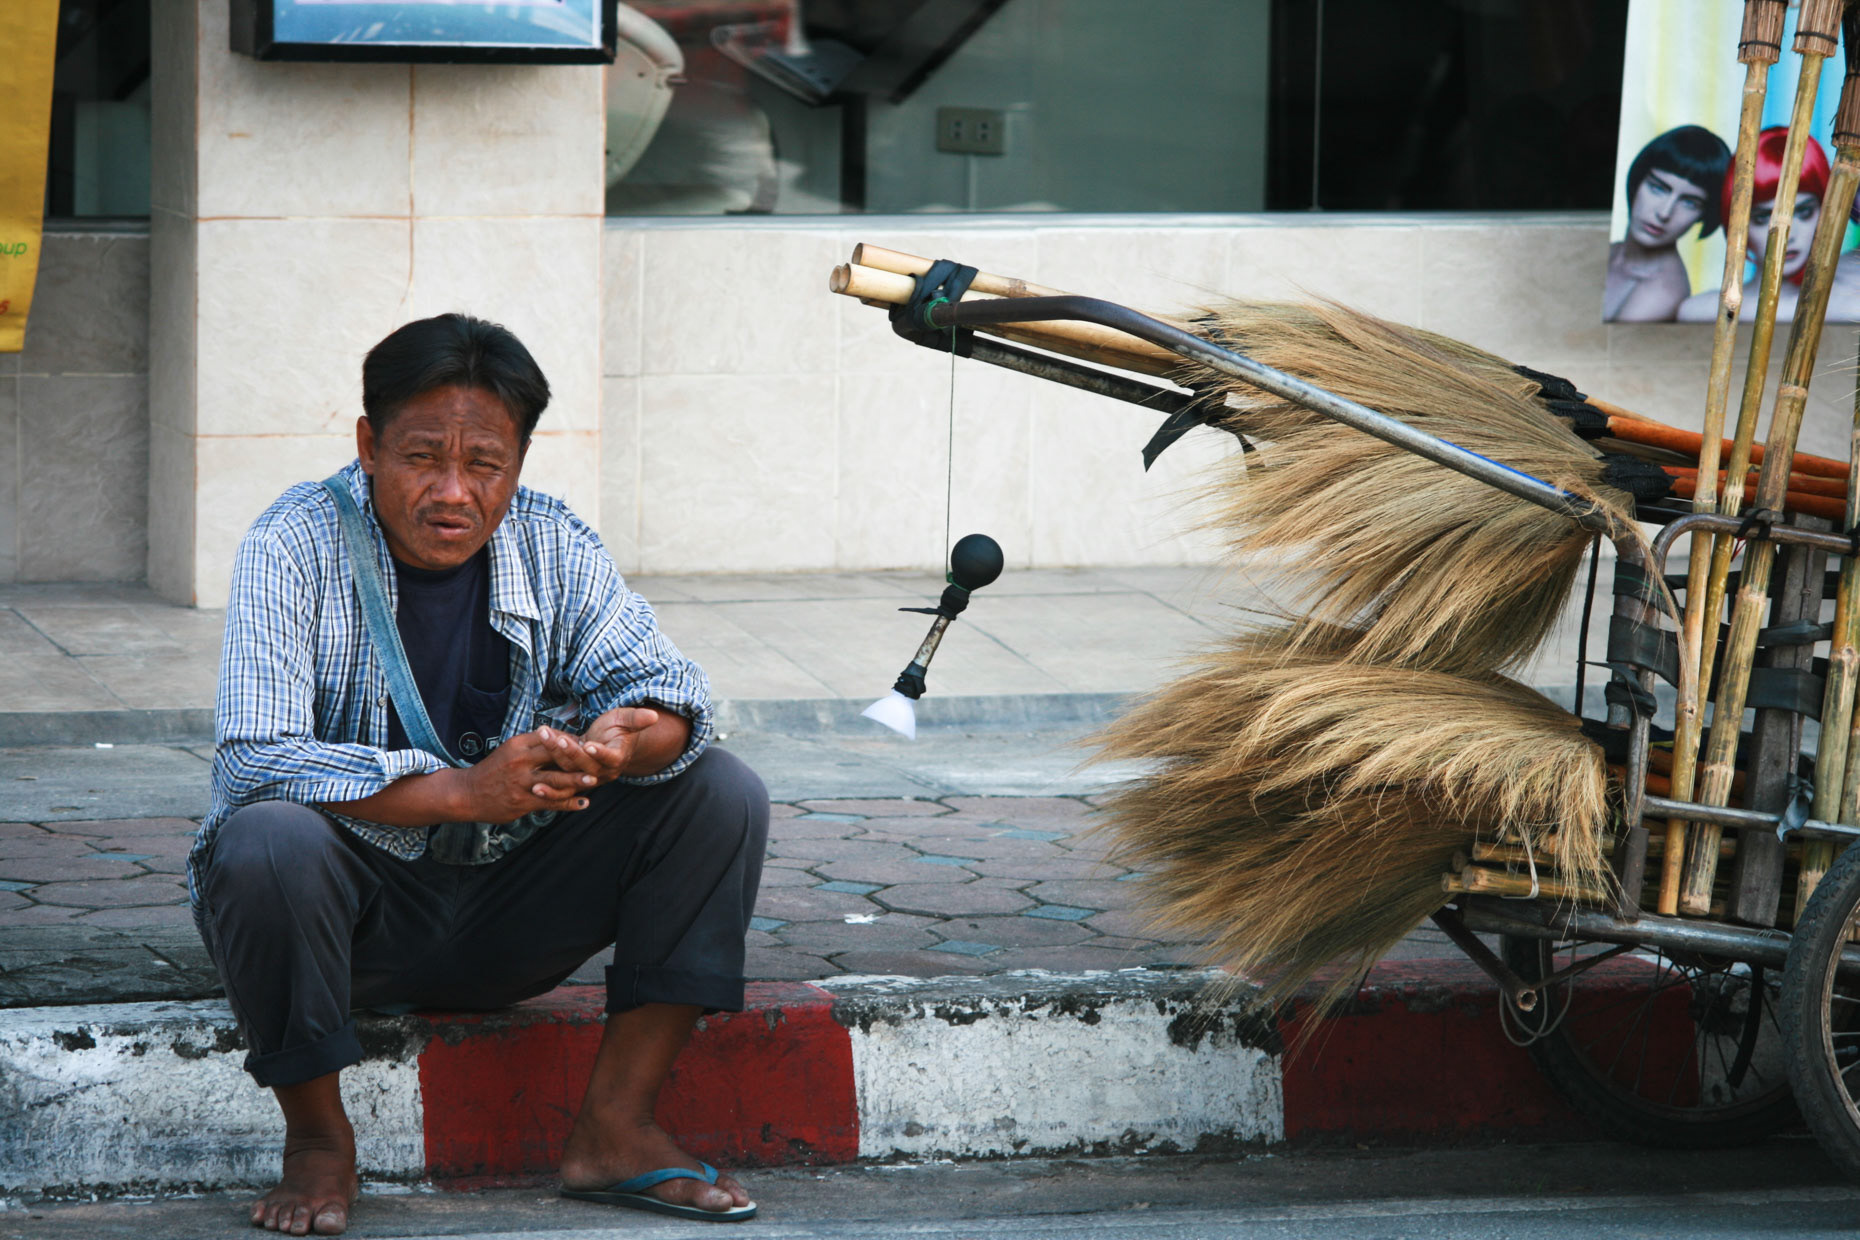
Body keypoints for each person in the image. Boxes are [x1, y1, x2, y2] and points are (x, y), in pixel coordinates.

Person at [189, 314, 768, 1235]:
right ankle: (317, 1142)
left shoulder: (551, 540)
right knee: (264, 837)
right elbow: (258, 758)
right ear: (369, 445)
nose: (453, 492)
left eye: (485, 465)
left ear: (521, 461)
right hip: (356, 926)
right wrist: (463, 791)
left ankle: (615, 1129)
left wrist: (625, 744)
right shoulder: (290, 543)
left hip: (513, 913)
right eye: (422, 457)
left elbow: (673, 691)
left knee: (717, 790)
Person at [1676, 127, 1829, 324]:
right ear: (1737, 224)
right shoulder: (1699, 313)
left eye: (1803, 212)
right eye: (1763, 218)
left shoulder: (1844, 310)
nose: (1786, 235)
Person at [1604, 125, 1731, 322]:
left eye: (1689, 202)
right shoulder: (1612, 252)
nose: (1664, 213)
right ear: (1637, 182)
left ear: (1703, 215)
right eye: (1658, 188)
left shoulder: (1662, 292)